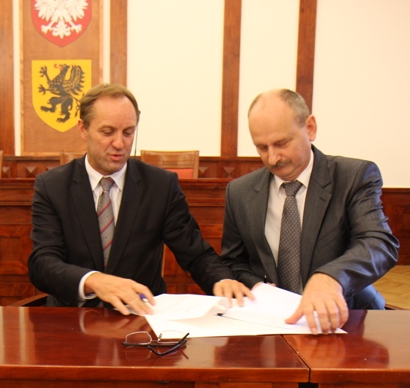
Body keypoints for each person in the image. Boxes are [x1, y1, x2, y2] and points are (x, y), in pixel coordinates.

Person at [28, 83, 249, 315]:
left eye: (128, 132)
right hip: (72, 318)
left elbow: (196, 254)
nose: (119, 144)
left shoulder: (160, 186)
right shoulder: (52, 186)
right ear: (83, 129)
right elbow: (43, 264)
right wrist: (94, 281)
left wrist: (222, 280)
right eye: (107, 132)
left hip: (141, 319)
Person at [221, 89, 399, 334]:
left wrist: (332, 277)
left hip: (349, 320)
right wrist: (256, 286)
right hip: (273, 324)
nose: (272, 158)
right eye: (261, 147)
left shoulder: (352, 176)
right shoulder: (239, 192)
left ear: (310, 128)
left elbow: (378, 243)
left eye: (282, 143)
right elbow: (233, 261)